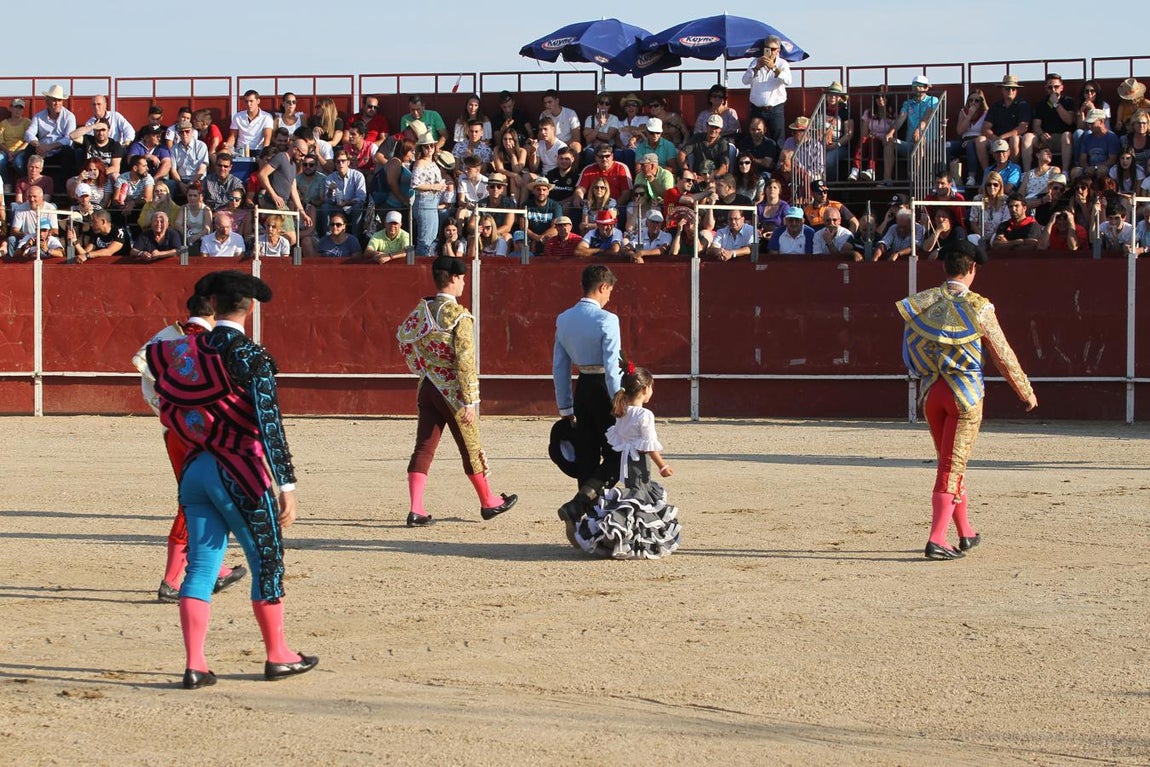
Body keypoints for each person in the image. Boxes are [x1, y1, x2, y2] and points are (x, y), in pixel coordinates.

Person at [145, 270, 317, 688]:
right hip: (240, 471)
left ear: (213, 304)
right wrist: (287, 485)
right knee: (267, 562)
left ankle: (195, 664)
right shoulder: (251, 357)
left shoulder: (180, 350)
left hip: (195, 469)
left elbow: (160, 392)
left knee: (201, 568)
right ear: (250, 307)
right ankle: (277, 654)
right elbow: (269, 424)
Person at [897, 240, 1037, 560]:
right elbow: (1002, 355)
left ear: (945, 267)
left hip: (932, 394)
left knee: (952, 464)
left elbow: (911, 350)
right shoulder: (979, 306)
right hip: (965, 396)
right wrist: (1025, 391)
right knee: (951, 467)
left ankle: (965, 532)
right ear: (972, 268)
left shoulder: (925, 301)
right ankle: (936, 539)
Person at [132, 293, 247, 603]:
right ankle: (170, 582)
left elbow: (143, 371)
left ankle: (216, 570)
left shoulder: (169, 337)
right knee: (195, 502)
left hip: (174, 433)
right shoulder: (217, 345)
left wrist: (165, 412)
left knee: (205, 501)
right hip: (203, 437)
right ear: (214, 315)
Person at [396, 255, 518, 527]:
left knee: (424, 447)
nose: (464, 283)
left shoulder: (422, 310)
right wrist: (470, 401)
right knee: (470, 447)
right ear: (452, 278)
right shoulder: (460, 316)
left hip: (428, 386)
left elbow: (402, 338)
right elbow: (465, 362)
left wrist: (422, 368)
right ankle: (488, 501)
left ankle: (416, 509)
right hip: (452, 393)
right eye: (462, 278)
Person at [572, 362, 680, 560]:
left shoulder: (621, 412)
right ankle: (635, 542)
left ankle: (617, 536)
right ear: (646, 389)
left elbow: (619, 440)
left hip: (625, 462)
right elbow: (648, 446)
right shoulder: (645, 414)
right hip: (638, 462)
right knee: (639, 497)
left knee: (633, 495)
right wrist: (662, 465)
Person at [552, 265, 623, 546]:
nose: (609, 299)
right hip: (604, 391)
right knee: (619, 456)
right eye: (609, 292)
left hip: (581, 390)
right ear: (603, 287)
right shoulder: (607, 319)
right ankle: (578, 507)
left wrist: (565, 406)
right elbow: (612, 368)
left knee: (588, 455)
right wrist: (619, 402)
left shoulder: (564, 319)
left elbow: (559, 365)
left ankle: (588, 525)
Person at [884, 75, 939, 183]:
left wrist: (918, 130)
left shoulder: (933, 100)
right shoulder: (907, 103)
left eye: (920, 85)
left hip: (930, 144)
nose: (916, 88)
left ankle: (915, 176)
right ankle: (887, 179)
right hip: (910, 144)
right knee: (889, 142)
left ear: (926, 88)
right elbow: (900, 118)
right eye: (914, 85)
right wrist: (890, 133)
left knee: (919, 139)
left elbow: (927, 117)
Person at [742, 35, 791, 144]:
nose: (770, 52)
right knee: (754, 138)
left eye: (773, 49)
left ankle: (777, 161)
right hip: (757, 109)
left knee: (778, 139)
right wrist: (756, 68)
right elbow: (745, 80)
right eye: (767, 48)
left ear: (778, 50)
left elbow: (788, 80)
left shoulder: (782, 64)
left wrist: (774, 68)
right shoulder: (755, 62)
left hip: (775, 109)